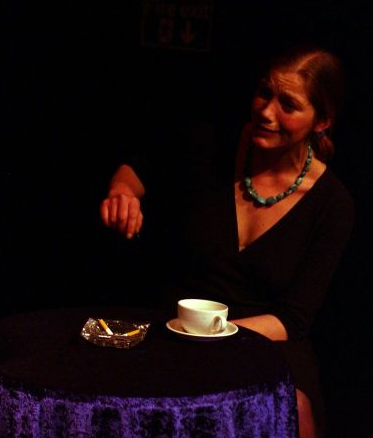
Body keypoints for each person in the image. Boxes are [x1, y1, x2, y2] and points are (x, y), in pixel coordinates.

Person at [100, 45, 354, 438]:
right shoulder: (210, 145)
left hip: (263, 337)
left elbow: (292, 319)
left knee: (296, 410)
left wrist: (216, 335)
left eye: (288, 104)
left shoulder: (332, 204)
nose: (267, 112)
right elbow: (138, 166)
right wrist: (123, 192)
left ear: (321, 122)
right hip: (176, 325)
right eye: (264, 93)